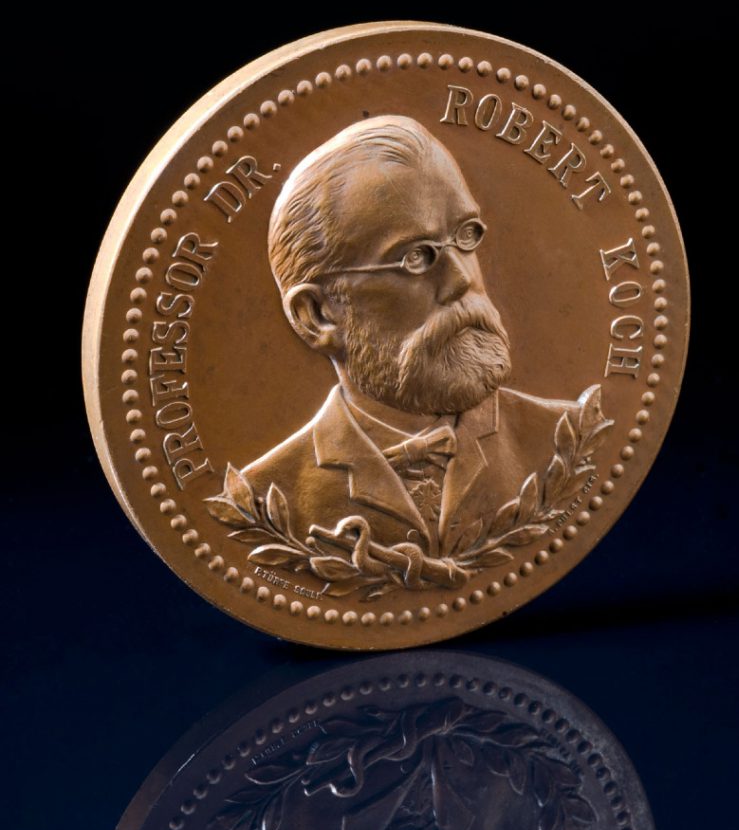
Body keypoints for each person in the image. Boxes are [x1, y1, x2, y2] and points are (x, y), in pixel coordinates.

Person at [209, 115, 611, 594]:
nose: (462, 279)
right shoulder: (261, 498)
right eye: (415, 257)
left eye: (466, 235)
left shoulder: (567, 441)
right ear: (318, 314)